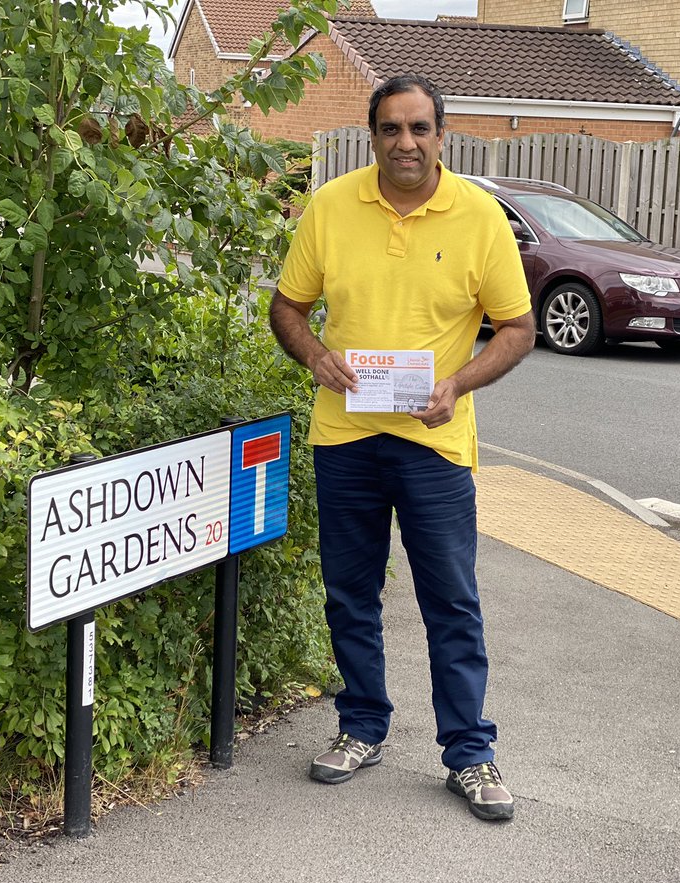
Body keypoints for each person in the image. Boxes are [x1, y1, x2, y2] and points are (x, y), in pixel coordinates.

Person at [268, 73, 535, 822]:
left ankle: (470, 753)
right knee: (349, 594)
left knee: (450, 600)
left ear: (440, 135)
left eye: (420, 129)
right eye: (391, 129)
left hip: (433, 444)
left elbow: (517, 329)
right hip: (345, 438)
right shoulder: (332, 207)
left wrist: (457, 384)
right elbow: (287, 307)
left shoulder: (479, 216)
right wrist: (315, 356)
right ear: (373, 135)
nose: (405, 143)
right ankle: (361, 727)